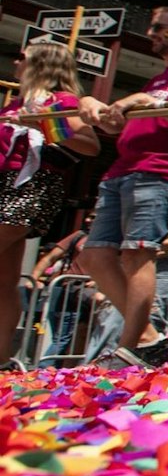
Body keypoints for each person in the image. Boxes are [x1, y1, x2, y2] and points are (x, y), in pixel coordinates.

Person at [76, 5, 168, 367]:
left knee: (137, 254)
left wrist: (139, 102)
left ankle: (130, 349)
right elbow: (117, 127)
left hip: (160, 171)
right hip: (121, 170)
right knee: (94, 255)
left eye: (160, 27)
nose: (151, 33)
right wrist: (93, 106)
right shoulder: (157, 79)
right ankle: (149, 340)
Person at [0, 44, 100, 362]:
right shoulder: (15, 102)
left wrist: (42, 124)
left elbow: (90, 145)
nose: (16, 62)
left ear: (42, 65)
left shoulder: (64, 103)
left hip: (30, 186)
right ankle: (2, 357)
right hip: (6, 185)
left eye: (23, 58)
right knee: (5, 280)